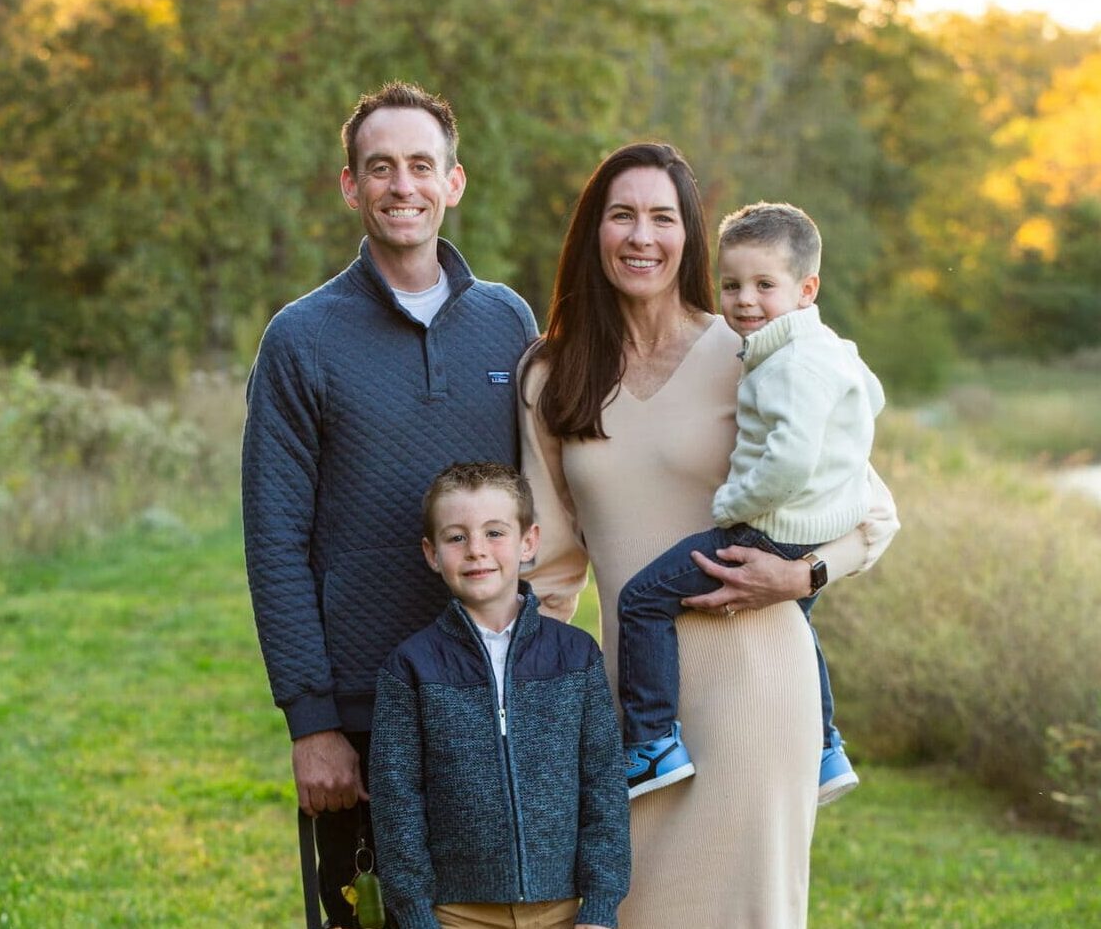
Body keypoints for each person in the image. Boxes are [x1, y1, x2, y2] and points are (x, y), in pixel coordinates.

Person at [519, 142, 899, 928]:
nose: (641, 236)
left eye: (662, 217)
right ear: (593, 231)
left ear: (689, 236)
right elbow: (551, 567)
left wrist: (803, 579)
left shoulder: (757, 349)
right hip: (637, 712)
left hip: (758, 686)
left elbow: (871, 512)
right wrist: (522, 702)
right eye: (621, 215)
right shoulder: (550, 373)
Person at [241, 81, 538, 929]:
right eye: (379, 168)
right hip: (366, 717)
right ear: (350, 186)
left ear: (453, 182)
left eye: (420, 165)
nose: (400, 185)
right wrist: (312, 722)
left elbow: (545, 498)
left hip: (497, 698)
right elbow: (275, 539)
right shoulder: (301, 338)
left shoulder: (507, 321)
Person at [616, 201, 885, 805]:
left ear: (805, 288)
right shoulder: (829, 349)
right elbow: (871, 394)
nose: (743, 300)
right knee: (800, 623)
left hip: (767, 532)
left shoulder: (783, 364)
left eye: (765, 285)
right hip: (812, 532)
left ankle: (652, 740)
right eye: (732, 284)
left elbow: (787, 463)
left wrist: (733, 503)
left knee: (641, 601)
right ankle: (824, 746)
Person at [369, 462, 630, 929]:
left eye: (494, 533)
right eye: (456, 538)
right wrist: (415, 914)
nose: (476, 552)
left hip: (565, 910)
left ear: (528, 541)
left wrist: (599, 906)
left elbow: (604, 787)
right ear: (431, 553)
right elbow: (397, 803)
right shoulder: (410, 667)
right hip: (454, 914)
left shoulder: (575, 656)